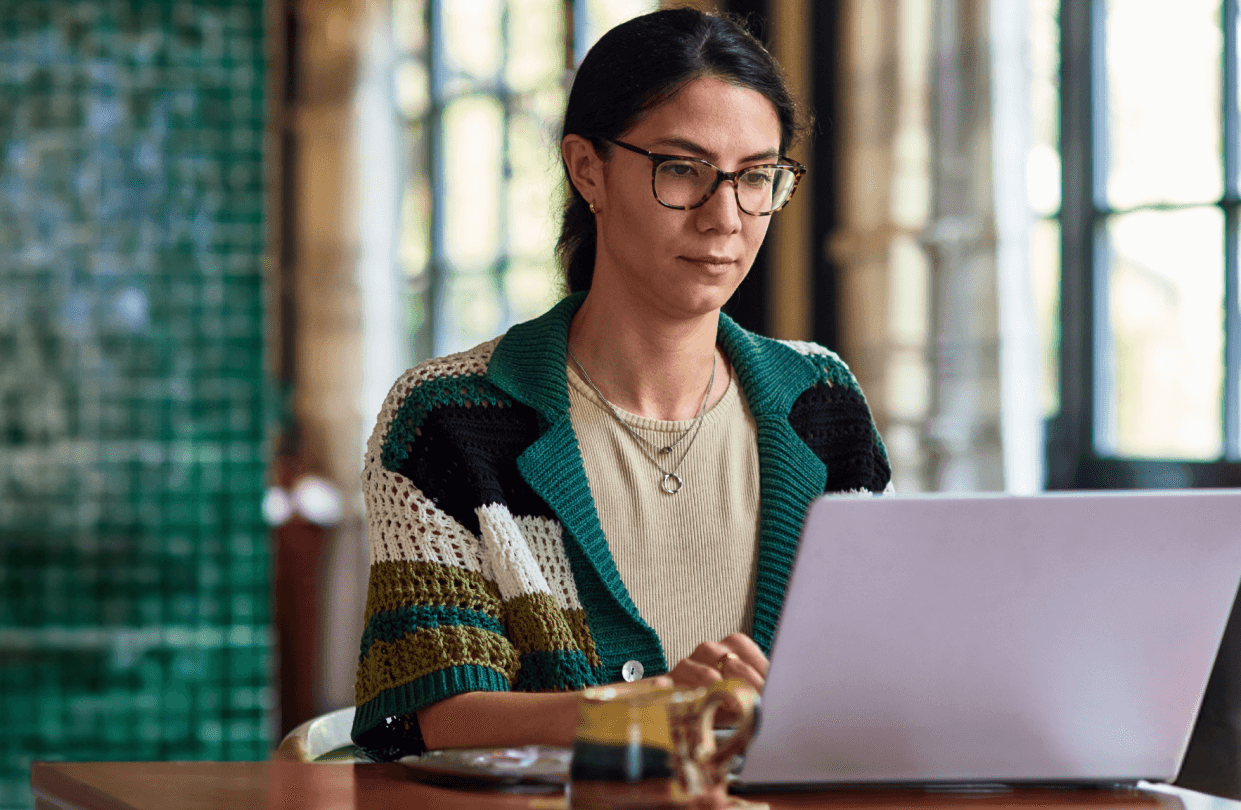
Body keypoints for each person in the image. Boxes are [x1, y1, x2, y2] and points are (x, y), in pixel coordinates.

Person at [349, 7, 891, 761]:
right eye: (682, 170)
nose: (725, 217)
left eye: (757, 177)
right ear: (587, 169)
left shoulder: (822, 405)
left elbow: (873, 677)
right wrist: (644, 710)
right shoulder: (449, 417)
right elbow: (444, 715)